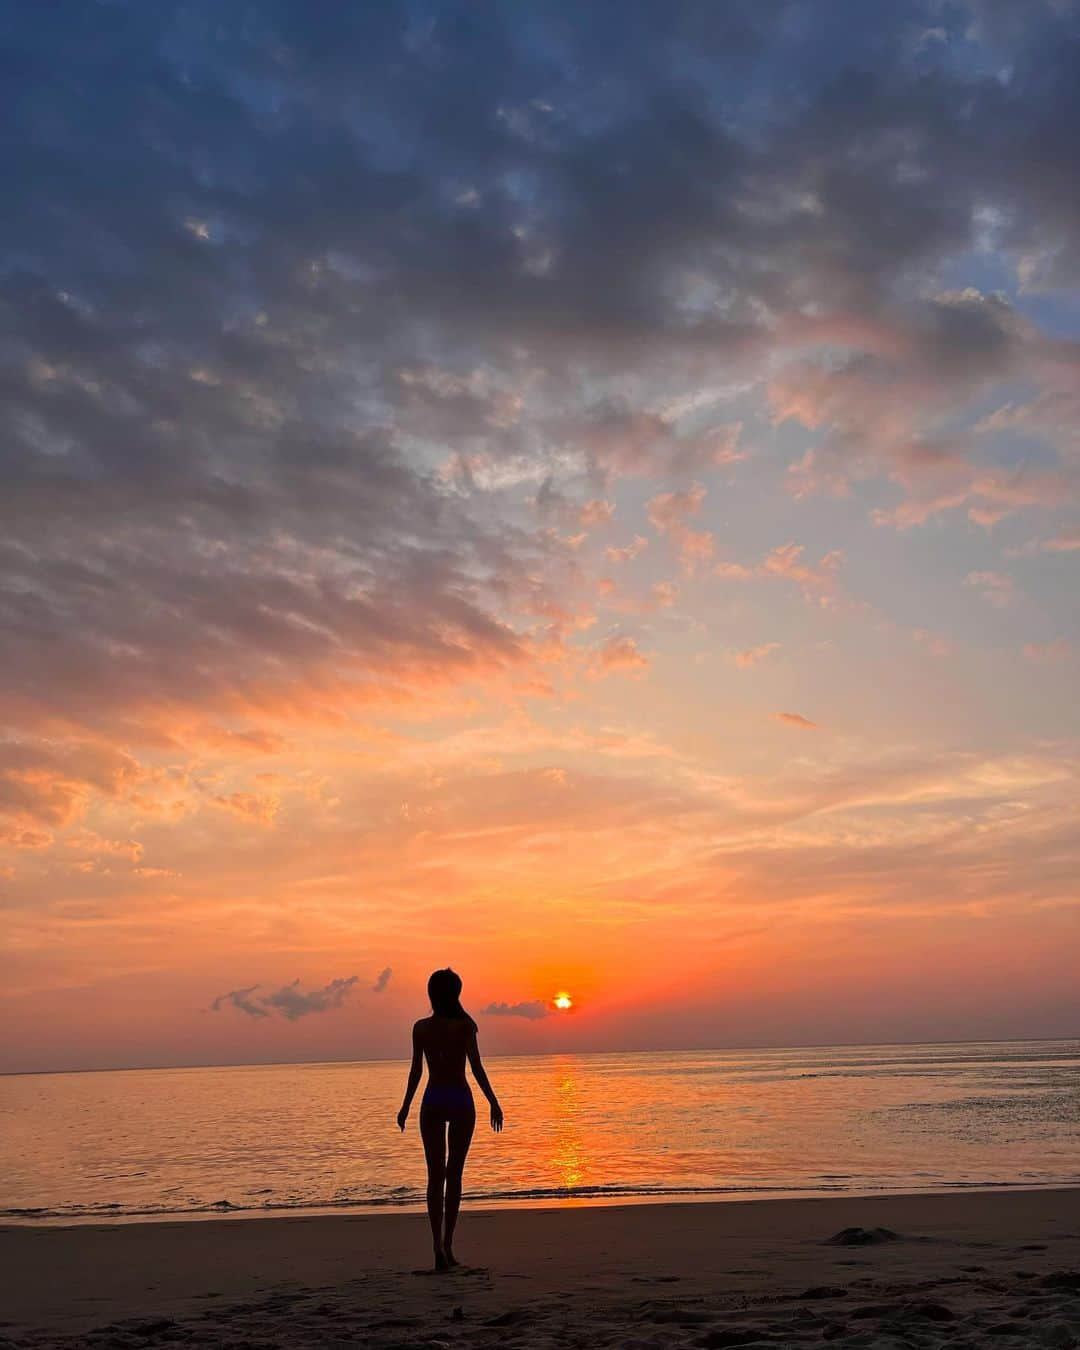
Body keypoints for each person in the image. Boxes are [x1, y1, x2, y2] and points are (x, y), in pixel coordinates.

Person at [397, 968, 503, 1270]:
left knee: (436, 1176)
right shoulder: (465, 1025)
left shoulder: (421, 1028)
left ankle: (437, 1246)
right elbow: (477, 1068)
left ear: (432, 994)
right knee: (453, 1175)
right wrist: (493, 1101)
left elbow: (416, 1071)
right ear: (456, 992)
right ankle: (447, 1246)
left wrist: (405, 1106)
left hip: (433, 1099)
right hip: (459, 1099)